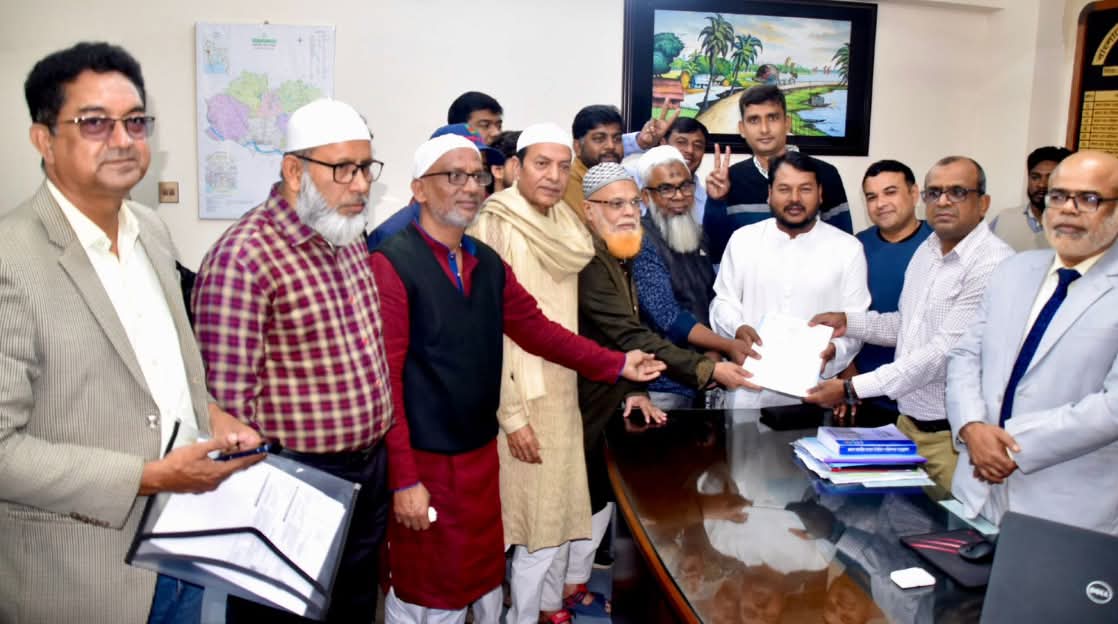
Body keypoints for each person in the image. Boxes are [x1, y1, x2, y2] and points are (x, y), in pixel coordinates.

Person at [0, 41, 261, 624]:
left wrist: (214, 416)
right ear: (44, 139)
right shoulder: (11, 260)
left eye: (135, 122)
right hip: (82, 572)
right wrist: (147, 478)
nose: (122, 139)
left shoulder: (150, 231)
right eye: (94, 123)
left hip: (186, 544)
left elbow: (164, 372)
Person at [373, 135, 663, 622]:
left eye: (476, 176)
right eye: (454, 176)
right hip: (425, 461)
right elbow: (388, 385)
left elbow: (538, 330)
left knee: (480, 580)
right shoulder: (392, 264)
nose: (470, 187)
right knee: (429, 594)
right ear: (418, 189)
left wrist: (616, 364)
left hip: (479, 456)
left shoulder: (484, 262)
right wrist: (404, 480)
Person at [191, 98, 393, 622]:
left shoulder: (346, 233)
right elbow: (227, 407)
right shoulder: (244, 257)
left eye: (365, 167)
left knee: (353, 608)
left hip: (367, 471)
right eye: (343, 169)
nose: (361, 185)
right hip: (291, 479)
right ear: (294, 171)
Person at [575, 163, 754, 618]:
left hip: (624, 388)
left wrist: (632, 391)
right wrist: (709, 367)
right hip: (592, 399)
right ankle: (559, 598)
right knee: (605, 497)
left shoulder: (623, 250)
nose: (628, 212)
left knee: (608, 495)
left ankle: (572, 590)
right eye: (616, 204)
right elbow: (634, 331)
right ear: (589, 210)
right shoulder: (592, 260)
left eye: (631, 203)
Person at [806, 156, 1014, 496]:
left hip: (954, 438)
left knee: (954, 526)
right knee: (903, 521)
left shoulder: (993, 263)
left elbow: (943, 354)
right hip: (907, 428)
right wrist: (849, 322)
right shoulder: (928, 251)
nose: (943, 201)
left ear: (983, 203)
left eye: (958, 192)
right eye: (935, 193)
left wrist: (851, 388)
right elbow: (907, 326)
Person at [947, 150, 1118, 535]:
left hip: (1068, 509)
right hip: (976, 491)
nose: (1068, 209)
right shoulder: (1014, 269)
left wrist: (1012, 445)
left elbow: (1113, 407)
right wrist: (972, 426)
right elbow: (965, 355)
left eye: (1089, 198)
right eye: (1058, 196)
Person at [709, 151, 870, 410]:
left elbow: (856, 321)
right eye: (784, 189)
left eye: (805, 189)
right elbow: (722, 303)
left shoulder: (848, 249)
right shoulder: (743, 240)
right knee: (742, 439)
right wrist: (738, 328)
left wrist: (835, 350)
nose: (795, 198)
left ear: (820, 194)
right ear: (769, 194)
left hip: (817, 391)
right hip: (749, 387)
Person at [632, 146, 751, 409]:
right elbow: (668, 316)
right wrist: (726, 345)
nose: (679, 196)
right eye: (666, 188)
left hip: (703, 374)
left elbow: (708, 299)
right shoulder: (640, 240)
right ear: (646, 197)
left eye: (685, 186)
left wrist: (714, 351)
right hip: (662, 383)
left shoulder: (696, 234)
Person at [704, 84, 851, 263]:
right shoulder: (728, 179)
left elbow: (844, 248)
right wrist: (716, 202)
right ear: (742, 129)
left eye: (772, 118)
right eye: (754, 120)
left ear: (787, 123)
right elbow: (716, 251)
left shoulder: (824, 174)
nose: (764, 129)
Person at [848, 160, 934, 425]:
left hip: (924, 397)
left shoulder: (940, 243)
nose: (880, 203)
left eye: (890, 192)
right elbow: (844, 314)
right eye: (871, 197)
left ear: (914, 193)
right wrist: (847, 372)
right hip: (865, 393)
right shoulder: (855, 246)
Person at [367, 123, 503, 250]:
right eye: (456, 175)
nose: (472, 188)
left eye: (479, 174)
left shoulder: (479, 243)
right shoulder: (390, 239)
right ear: (421, 187)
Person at [988, 146, 1072, 252]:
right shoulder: (1004, 219)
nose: (1042, 184)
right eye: (1035, 177)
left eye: (1050, 178)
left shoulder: (1075, 225)